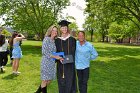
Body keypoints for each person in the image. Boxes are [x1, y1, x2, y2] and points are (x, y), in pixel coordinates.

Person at [35, 25, 63, 93]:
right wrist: (56, 57)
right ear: (50, 31)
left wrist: (60, 56)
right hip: (46, 62)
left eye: (56, 31)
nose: (55, 32)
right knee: (45, 80)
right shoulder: (46, 39)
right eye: (53, 30)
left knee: (49, 80)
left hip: (52, 63)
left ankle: (37, 92)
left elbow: (55, 52)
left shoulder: (55, 41)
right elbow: (44, 52)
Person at [55, 20, 77, 93]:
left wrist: (64, 59)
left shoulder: (72, 39)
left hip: (69, 65)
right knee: (61, 81)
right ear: (60, 29)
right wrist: (59, 59)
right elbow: (55, 52)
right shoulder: (57, 40)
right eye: (62, 28)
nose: (64, 29)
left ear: (67, 28)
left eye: (65, 27)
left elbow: (73, 53)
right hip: (60, 65)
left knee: (70, 80)